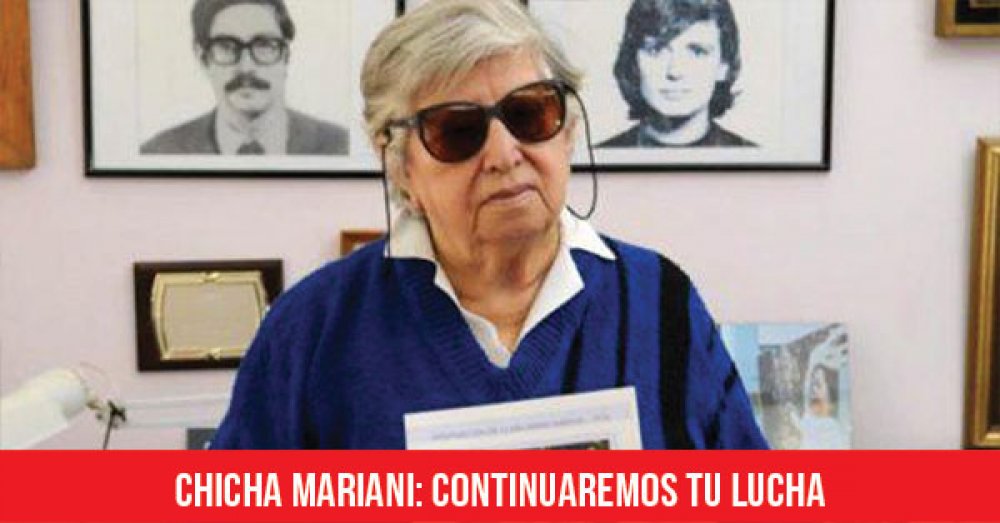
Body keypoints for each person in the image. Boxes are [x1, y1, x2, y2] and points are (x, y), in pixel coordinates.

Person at [211, 0, 766, 449]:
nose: (504, 154)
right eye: (458, 130)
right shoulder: (314, 328)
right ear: (400, 166)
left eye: (530, 114)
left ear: (568, 133)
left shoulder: (658, 301)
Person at [140, 0, 348, 155]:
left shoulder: (340, 146)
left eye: (264, 45)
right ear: (203, 58)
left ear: (286, 56)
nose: (246, 68)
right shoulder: (160, 152)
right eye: (226, 47)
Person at [600, 0, 755, 148]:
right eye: (656, 50)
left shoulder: (752, 158)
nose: (674, 71)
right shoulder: (599, 157)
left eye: (697, 52)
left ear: (724, 66)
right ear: (634, 63)